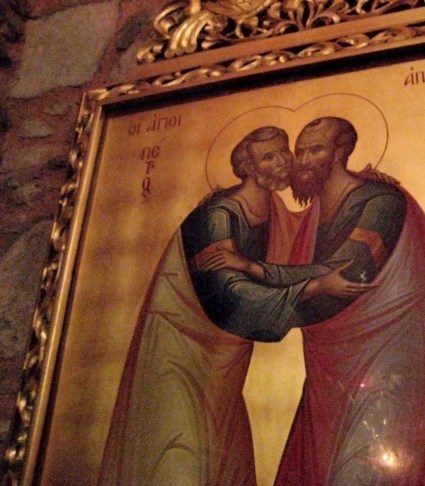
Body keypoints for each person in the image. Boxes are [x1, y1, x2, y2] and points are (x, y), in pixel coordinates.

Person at [98, 126, 368, 485]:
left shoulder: (274, 209)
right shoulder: (218, 217)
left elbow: (308, 246)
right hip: (184, 351)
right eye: (269, 157)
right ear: (249, 168)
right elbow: (231, 296)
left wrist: (360, 185)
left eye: (283, 152)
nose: (283, 162)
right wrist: (315, 287)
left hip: (226, 361)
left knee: (222, 464)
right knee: (180, 456)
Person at [222, 117, 425, 485]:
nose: (302, 161)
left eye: (314, 150)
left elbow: (349, 271)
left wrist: (256, 271)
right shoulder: (313, 214)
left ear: (340, 153)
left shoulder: (381, 201)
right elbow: (304, 269)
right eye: (299, 151)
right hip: (328, 377)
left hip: (383, 366)